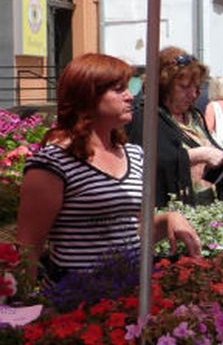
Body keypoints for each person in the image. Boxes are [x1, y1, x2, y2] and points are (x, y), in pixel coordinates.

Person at [17, 53, 201, 283]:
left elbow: (133, 229)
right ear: (88, 97)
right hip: (76, 299)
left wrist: (167, 220)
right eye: (118, 89)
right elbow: (28, 248)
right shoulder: (52, 164)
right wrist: (27, 304)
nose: (129, 96)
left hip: (133, 290)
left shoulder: (134, 155)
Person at [127, 47, 223, 207]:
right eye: (184, 87)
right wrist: (198, 155)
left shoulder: (193, 117)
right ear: (164, 86)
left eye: (196, 87)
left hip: (209, 209)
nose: (193, 94)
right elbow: (149, 163)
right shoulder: (147, 118)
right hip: (174, 211)